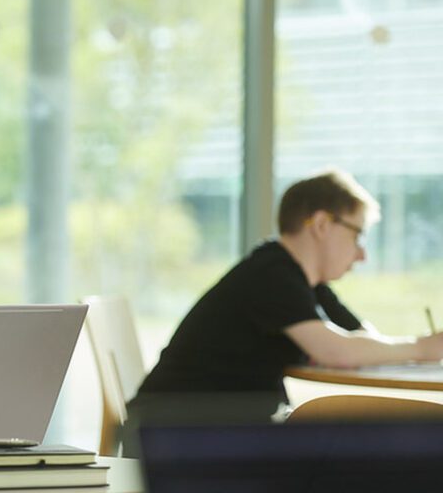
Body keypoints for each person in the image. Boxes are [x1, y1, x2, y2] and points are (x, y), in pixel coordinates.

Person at [123, 169, 443, 456]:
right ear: (321, 224)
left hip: (216, 424)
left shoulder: (305, 282)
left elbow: (362, 340)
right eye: (357, 235)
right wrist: (421, 348)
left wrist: (395, 347)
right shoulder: (271, 274)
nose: (362, 255)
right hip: (178, 429)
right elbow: (337, 350)